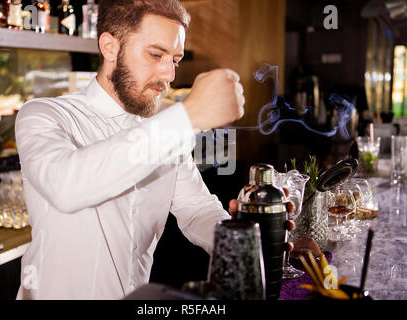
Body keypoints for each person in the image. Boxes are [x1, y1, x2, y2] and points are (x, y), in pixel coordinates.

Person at [15, 0, 293, 299]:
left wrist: (243, 237)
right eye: (156, 54)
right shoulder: (43, 115)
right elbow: (67, 186)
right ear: (110, 47)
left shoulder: (165, 131)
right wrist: (188, 115)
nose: (169, 74)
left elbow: (196, 210)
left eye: (175, 59)